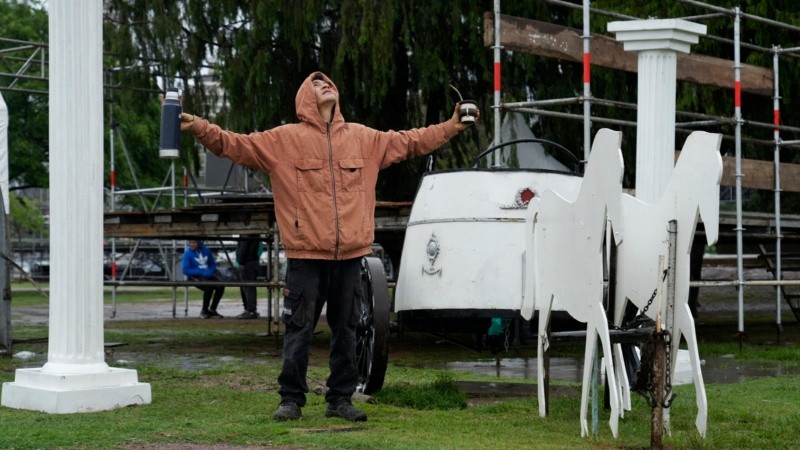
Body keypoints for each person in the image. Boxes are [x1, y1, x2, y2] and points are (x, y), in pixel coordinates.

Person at [179, 71, 478, 422]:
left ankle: (340, 400)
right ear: (304, 97)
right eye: (315, 83)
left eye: (329, 82)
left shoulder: (365, 139)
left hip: (351, 256)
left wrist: (450, 125)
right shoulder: (282, 140)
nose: (324, 84)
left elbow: (412, 141)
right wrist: (200, 127)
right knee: (298, 329)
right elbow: (234, 144)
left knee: (347, 330)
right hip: (305, 256)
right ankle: (291, 399)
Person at [181, 239, 225, 319]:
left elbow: (213, 265)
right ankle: (204, 310)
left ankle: (212, 310)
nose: (191, 244)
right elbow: (185, 270)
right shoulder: (187, 253)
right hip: (194, 276)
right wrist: (201, 272)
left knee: (221, 286)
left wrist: (210, 272)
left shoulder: (207, 250)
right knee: (209, 286)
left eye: (194, 242)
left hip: (208, 275)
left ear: (199, 242)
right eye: (190, 242)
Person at [236, 236, 261, 319]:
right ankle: (251, 310)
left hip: (247, 263)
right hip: (253, 262)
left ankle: (250, 310)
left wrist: (241, 261)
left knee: (247, 287)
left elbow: (243, 248)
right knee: (250, 287)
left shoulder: (246, 233)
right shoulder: (256, 233)